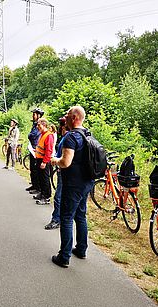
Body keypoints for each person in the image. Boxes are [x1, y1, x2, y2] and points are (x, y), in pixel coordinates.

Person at [51, 106, 94, 268]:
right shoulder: (88, 134)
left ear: (75, 118)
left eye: (67, 115)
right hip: (86, 182)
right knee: (81, 215)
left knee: (67, 217)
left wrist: (55, 160)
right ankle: (81, 249)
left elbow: (65, 162)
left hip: (73, 184)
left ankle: (64, 256)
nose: (65, 118)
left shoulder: (71, 137)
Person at [44, 117, 68, 230]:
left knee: (58, 197)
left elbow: (65, 158)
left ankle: (56, 220)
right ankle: (62, 218)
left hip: (63, 171)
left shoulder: (68, 138)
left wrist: (56, 161)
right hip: (64, 172)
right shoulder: (69, 137)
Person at [33, 118, 54, 205]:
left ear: (44, 125)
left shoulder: (48, 135)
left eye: (39, 125)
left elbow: (49, 150)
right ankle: (42, 193)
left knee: (45, 178)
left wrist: (44, 162)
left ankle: (46, 197)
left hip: (44, 160)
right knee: (40, 178)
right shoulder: (42, 134)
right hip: (39, 159)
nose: (38, 127)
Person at [26, 108, 44, 195]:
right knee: (32, 168)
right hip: (32, 148)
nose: (33, 116)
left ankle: (37, 187)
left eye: (34, 114)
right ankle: (33, 185)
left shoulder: (39, 125)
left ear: (39, 115)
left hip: (36, 149)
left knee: (36, 169)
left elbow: (33, 135)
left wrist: (30, 135)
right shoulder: (34, 124)